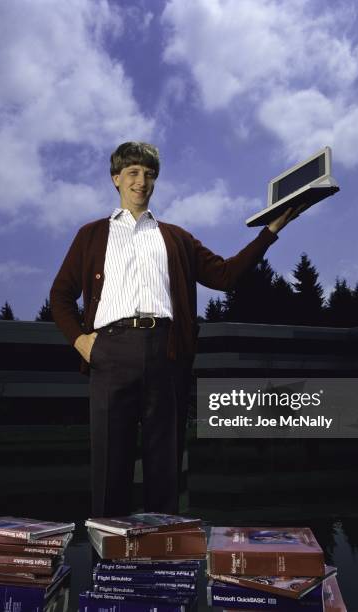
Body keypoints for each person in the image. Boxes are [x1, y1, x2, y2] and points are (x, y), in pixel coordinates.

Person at [50, 142, 294, 517]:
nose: (141, 181)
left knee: (165, 468)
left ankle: (163, 567)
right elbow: (60, 295)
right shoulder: (92, 235)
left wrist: (270, 231)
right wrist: (82, 342)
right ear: (116, 179)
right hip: (110, 351)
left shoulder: (176, 237)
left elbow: (226, 275)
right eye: (132, 173)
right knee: (109, 468)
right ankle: (107, 571)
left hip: (167, 352)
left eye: (149, 174)